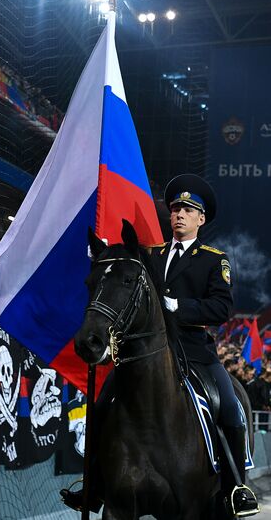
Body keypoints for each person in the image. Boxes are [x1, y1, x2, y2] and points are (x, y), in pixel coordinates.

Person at [61, 174, 259, 517]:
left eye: (188, 210)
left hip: (195, 351)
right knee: (103, 402)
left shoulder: (214, 259)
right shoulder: (150, 257)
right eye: (176, 208)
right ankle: (94, 487)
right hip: (146, 351)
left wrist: (179, 308)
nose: (179, 214)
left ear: (201, 219)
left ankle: (236, 488)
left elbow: (222, 308)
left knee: (230, 407)